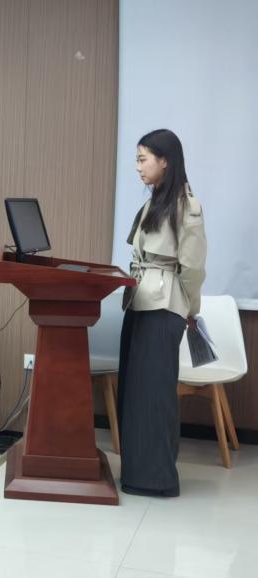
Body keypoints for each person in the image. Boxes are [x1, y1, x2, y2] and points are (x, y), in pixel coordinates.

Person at [118, 129, 207, 497]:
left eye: (143, 159)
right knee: (135, 393)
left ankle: (157, 480)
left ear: (165, 161)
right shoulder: (154, 201)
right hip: (140, 303)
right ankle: (136, 473)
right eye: (137, 159)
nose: (138, 167)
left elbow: (193, 269)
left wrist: (190, 310)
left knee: (154, 396)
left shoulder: (187, 206)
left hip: (164, 308)